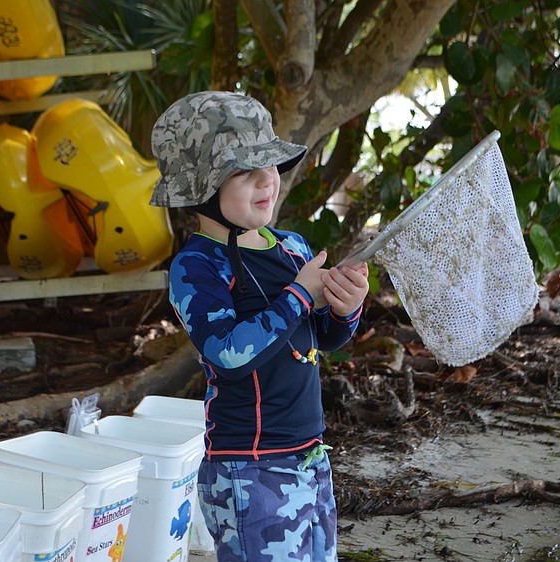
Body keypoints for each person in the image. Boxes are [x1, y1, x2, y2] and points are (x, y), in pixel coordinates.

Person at [149, 91, 369, 562]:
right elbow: (228, 355)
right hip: (247, 470)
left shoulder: (292, 248)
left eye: (269, 164)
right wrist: (300, 295)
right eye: (245, 172)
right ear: (201, 189)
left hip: (310, 454)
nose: (267, 179)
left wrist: (345, 307)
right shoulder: (197, 267)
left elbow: (325, 337)